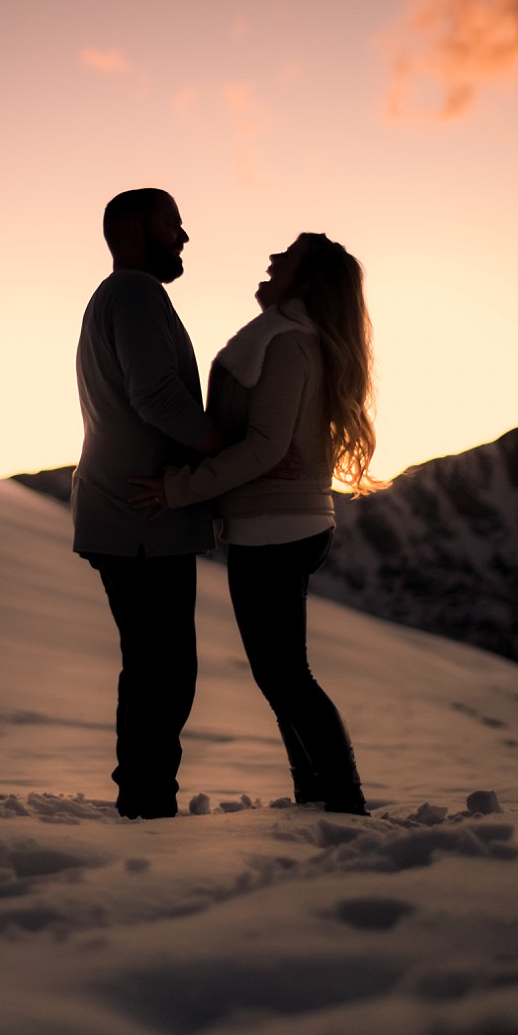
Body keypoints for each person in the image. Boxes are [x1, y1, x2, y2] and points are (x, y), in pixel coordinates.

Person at [130, 232, 382, 815]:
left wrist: (178, 490)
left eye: (286, 257)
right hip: (277, 523)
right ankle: (319, 797)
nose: (272, 260)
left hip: (278, 526)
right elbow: (267, 443)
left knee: (287, 677)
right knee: (281, 677)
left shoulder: (287, 343)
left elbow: (267, 448)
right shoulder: (286, 339)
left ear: (308, 280)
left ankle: (342, 802)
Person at [72, 188, 224, 820]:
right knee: (163, 671)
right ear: (135, 230)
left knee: (153, 667)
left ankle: (144, 798)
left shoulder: (122, 297)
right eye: (174, 224)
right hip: (141, 518)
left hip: (132, 516)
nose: (184, 236)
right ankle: (145, 804)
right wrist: (235, 448)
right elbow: (157, 397)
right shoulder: (135, 294)